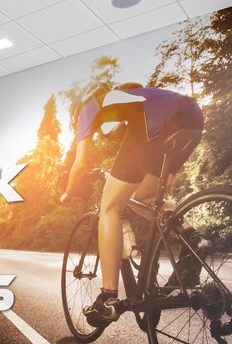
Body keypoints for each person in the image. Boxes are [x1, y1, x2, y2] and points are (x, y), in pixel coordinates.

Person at [60, 81, 206, 326]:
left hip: (156, 125)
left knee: (110, 208)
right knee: (144, 197)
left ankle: (108, 298)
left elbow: (80, 164)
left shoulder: (89, 106)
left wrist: (67, 192)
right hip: (193, 120)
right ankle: (194, 239)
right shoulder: (135, 97)